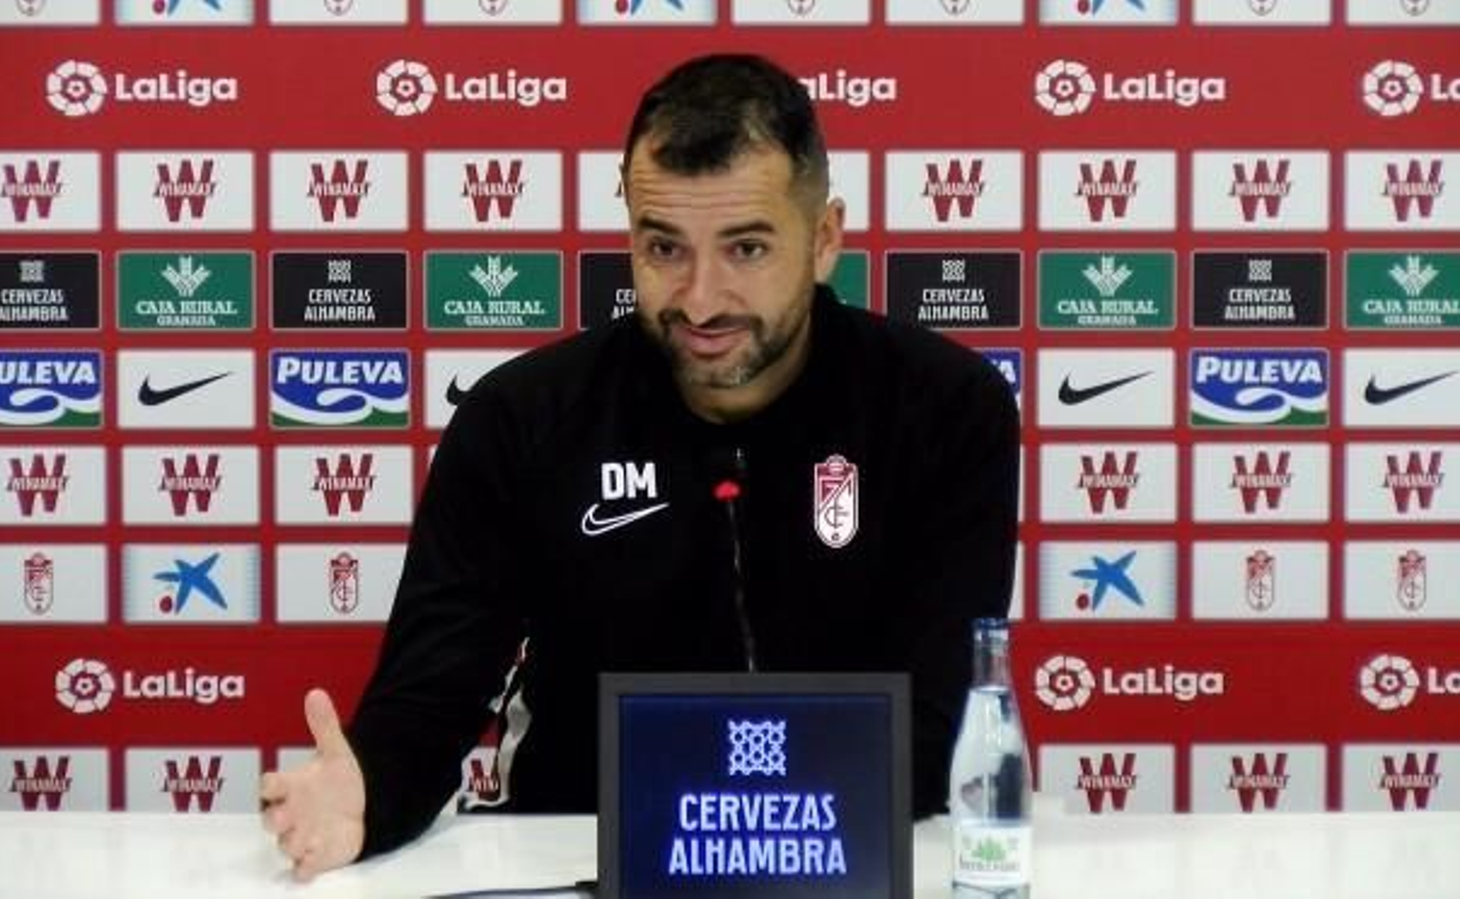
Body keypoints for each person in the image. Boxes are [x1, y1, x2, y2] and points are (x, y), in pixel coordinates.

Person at [260, 52, 1019, 881]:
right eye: (664, 247)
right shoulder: (522, 417)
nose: (699, 298)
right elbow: (434, 693)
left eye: (747, 248)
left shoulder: (945, 407)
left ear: (825, 237)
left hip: (852, 849)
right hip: (573, 852)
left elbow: (934, 721)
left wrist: (734, 833)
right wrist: (369, 795)